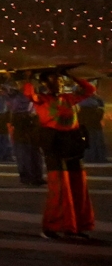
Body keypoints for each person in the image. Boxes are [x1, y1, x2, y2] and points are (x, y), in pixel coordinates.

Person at [27, 70, 97, 240]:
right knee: (59, 189)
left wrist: (71, 75)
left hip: (72, 144)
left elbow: (89, 89)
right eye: (54, 79)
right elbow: (29, 94)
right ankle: (51, 227)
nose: (58, 82)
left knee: (78, 186)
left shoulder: (68, 98)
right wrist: (30, 78)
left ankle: (75, 226)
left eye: (60, 79)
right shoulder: (42, 99)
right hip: (54, 146)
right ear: (44, 83)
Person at [4, 77, 44, 186]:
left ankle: (36, 176)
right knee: (25, 152)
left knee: (34, 152)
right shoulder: (16, 96)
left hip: (31, 123)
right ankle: (29, 176)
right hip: (22, 124)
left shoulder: (27, 95)